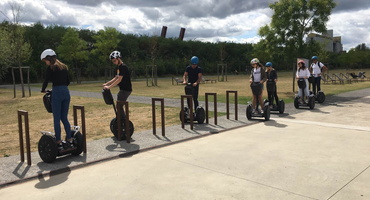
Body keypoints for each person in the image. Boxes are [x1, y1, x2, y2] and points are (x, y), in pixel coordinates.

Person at [40, 49, 72, 150]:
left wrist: (43, 89)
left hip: (57, 93)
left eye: (45, 60)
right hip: (66, 92)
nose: (45, 62)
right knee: (64, 118)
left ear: (49, 58)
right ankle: (70, 140)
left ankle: (58, 142)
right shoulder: (64, 67)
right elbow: (68, 81)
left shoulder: (51, 68)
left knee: (56, 119)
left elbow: (46, 80)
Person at [103, 50, 132, 118]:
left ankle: (124, 122)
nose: (114, 62)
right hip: (123, 89)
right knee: (119, 106)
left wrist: (109, 87)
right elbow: (116, 77)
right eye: (112, 61)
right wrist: (107, 83)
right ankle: (121, 120)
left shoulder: (123, 67)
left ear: (118, 58)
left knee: (119, 106)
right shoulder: (119, 67)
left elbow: (119, 79)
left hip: (126, 90)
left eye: (114, 61)